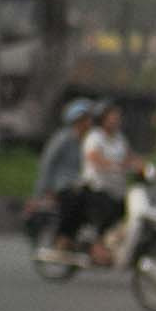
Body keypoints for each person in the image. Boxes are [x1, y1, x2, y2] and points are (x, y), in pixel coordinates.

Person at [61, 100, 132, 258]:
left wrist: (142, 166)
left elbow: (129, 157)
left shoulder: (119, 138)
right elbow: (94, 157)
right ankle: (95, 245)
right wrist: (113, 165)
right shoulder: (95, 137)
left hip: (116, 188)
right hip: (96, 187)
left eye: (117, 116)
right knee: (103, 211)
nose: (115, 120)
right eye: (112, 116)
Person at [31, 99, 92, 262]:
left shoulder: (88, 141)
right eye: (86, 119)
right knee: (74, 200)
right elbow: (47, 164)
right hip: (62, 185)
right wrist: (42, 191)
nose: (89, 122)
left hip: (81, 183)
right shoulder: (63, 139)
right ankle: (62, 238)